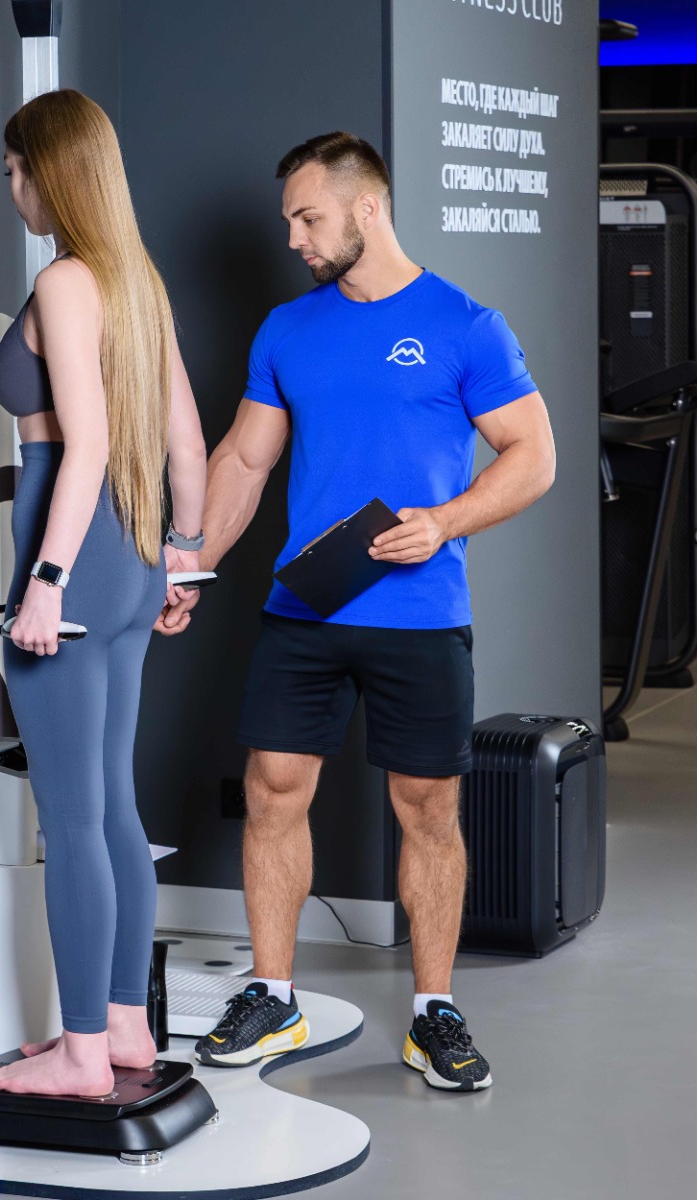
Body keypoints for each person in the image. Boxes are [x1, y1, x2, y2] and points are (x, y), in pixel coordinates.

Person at [162, 131, 555, 1091]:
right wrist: (191, 567)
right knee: (272, 791)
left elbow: (534, 456)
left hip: (421, 613)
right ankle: (274, 995)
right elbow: (244, 461)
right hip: (305, 608)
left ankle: (433, 1012)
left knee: (429, 810)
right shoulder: (287, 331)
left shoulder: (466, 325)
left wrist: (445, 522)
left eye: (308, 218)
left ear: (366, 209)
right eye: (289, 221)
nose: (294, 238)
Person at [0, 89, 207, 1098]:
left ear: (50, 173)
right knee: (113, 802)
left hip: (73, 552)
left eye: (14, 170)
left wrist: (46, 581)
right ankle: (122, 1028)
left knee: (70, 818)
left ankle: (77, 1057)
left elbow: (91, 447)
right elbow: (186, 444)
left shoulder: (67, 282)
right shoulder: (137, 281)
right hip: (136, 554)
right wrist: (183, 557)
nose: (11, 188)